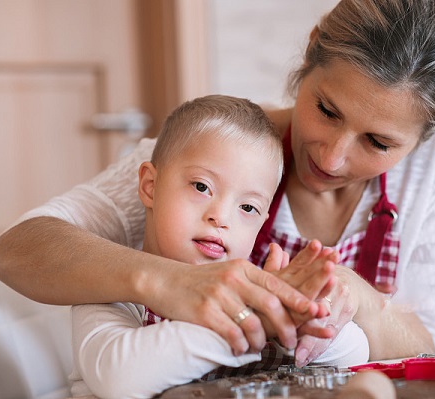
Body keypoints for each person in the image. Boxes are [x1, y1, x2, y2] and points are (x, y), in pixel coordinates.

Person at [0, 0, 435, 369]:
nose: (332, 157)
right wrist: (169, 282)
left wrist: (357, 301)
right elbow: (16, 250)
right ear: (312, 51)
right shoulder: (222, 146)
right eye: (326, 110)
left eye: (377, 143)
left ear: (425, 139)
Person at [69, 95, 369, 398]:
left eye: (248, 208)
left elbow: (355, 353)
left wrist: (297, 318)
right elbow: (119, 378)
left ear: (263, 222)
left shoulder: (257, 296)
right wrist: (251, 324)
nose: (221, 218)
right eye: (202, 187)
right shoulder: (114, 289)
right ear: (150, 186)